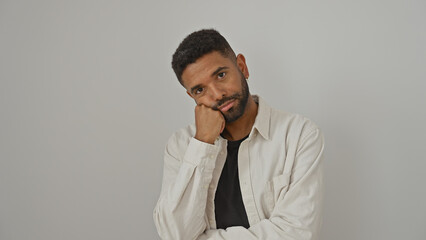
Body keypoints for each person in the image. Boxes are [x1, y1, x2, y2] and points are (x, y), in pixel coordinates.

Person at [153, 29, 324, 240]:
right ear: (191, 96)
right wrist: (203, 143)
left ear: (242, 66)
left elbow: (296, 233)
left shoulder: (298, 135)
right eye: (200, 90)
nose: (217, 94)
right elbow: (174, 234)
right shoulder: (181, 146)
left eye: (221, 75)